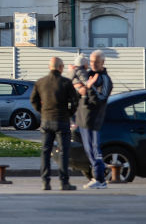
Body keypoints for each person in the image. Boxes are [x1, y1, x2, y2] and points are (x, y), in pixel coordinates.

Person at [30, 56, 80, 191]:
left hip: (46, 121)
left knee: (45, 151)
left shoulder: (41, 82)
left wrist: (42, 111)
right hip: (62, 121)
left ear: (49, 67)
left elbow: (33, 100)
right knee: (64, 152)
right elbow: (75, 101)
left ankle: (45, 182)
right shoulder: (66, 83)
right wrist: (69, 113)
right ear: (61, 68)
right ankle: (64, 182)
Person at [75, 50, 113, 189]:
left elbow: (101, 99)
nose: (93, 64)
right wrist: (80, 87)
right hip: (84, 118)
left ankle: (100, 179)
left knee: (95, 149)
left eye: (96, 62)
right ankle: (96, 177)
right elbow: (76, 84)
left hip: (95, 120)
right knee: (88, 150)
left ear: (103, 62)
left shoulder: (105, 79)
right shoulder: (88, 75)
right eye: (91, 61)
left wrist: (89, 88)